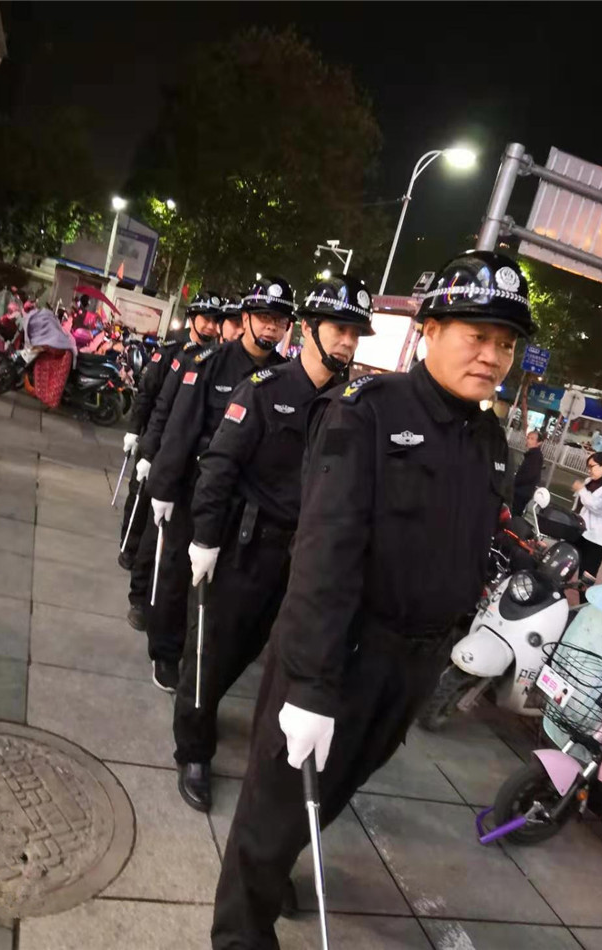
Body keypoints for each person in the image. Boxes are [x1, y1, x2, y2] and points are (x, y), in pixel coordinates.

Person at [210, 250, 535, 949]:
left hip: (413, 664)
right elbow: (324, 555)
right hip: (345, 652)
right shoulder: (368, 414)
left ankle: (272, 871)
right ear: (430, 329)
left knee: (331, 792)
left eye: (506, 344)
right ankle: (240, 930)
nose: (492, 356)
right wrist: (309, 685)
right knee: (273, 807)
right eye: (477, 335)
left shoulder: (487, 439)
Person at [174, 275, 374, 812]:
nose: (347, 343)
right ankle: (193, 749)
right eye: (338, 329)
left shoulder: (351, 406)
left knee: (257, 657)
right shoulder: (264, 389)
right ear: (307, 329)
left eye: (356, 334)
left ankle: (219, 722)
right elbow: (219, 466)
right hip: (246, 549)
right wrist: (205, 539)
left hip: (302, 560)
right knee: (209, 653)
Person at [144, 276, 293, 691]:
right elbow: (181, 428)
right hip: (196, 487)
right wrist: (163, 487)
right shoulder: (210, 363)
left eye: (279, 321)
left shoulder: (285, 375)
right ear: (245, 318)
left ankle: (199, 657)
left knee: (216, 587)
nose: (271, 327)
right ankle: (166, 651)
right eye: (264, 317)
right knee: (178, 572)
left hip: (244, 506)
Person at [118, 292, 222, 572]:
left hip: (181, 441)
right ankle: (129, 547)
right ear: (192, 318)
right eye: (205, 319)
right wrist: (135, 431)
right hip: (156, 433)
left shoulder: (216, 357)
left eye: (215, 321)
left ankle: (147, 556)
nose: (211, 326)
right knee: (140, 495)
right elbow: (149, 392)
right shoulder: (174, 349)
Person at [572, 452, 602, 581]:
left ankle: (584, 594)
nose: (589, 470)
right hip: (580, 531)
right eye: (588, 467)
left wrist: (581, 490)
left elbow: (596, 506)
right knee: (565, 561)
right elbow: (579, 504)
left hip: (596, 539)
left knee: (586, 575)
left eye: (592, 466)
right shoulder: (588, 481)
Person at [512, 429, 544, 515]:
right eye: (528, 438)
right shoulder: (531, 454)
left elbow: (530, 475)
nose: (529, 440)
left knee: (514, 513)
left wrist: (515, 481)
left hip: (522, 491)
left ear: (539, 443)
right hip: (522, 491)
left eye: (532, 439)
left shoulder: (535, 456)